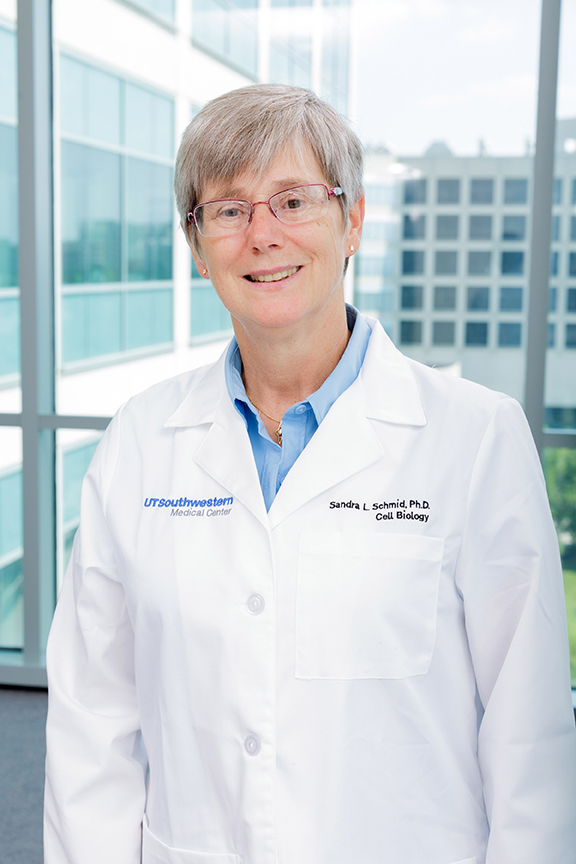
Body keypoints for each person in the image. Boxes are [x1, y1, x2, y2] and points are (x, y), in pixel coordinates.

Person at [44, 84, 576, 864]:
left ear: (352, 221)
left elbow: (528, 738)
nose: (262, 235)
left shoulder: (476, 438)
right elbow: (94, 722)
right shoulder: (141, 440)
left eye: (293, 200)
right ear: (197, 247)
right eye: (228, 210)